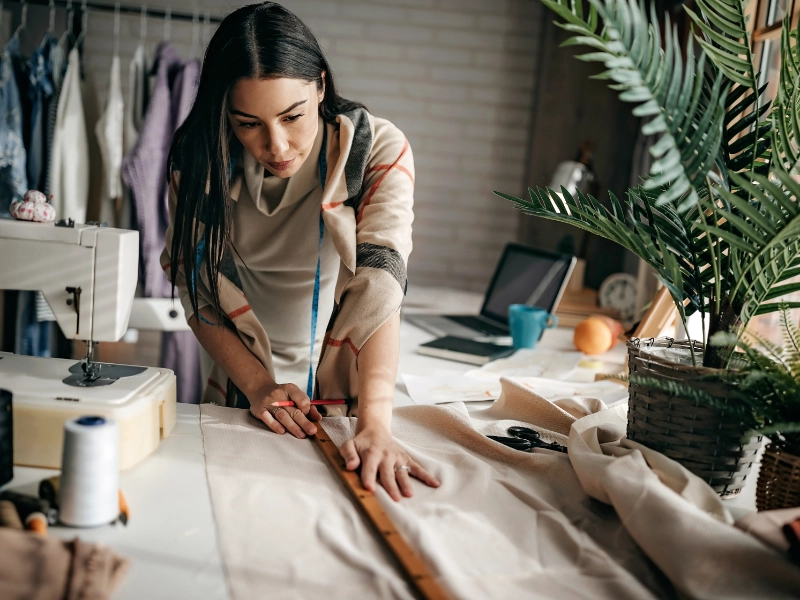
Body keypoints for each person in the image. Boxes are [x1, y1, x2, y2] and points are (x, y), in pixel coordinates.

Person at [162, 2, 439, 501]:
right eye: (248, 124)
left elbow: (381, 285)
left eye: (294, 116)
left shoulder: (378, 149)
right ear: (225, 114)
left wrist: (376, 425)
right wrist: (257, 385)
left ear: (321, 85)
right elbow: (198, 295)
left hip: (351, 387)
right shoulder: (197, 164)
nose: (277, 144)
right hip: (241, 384)